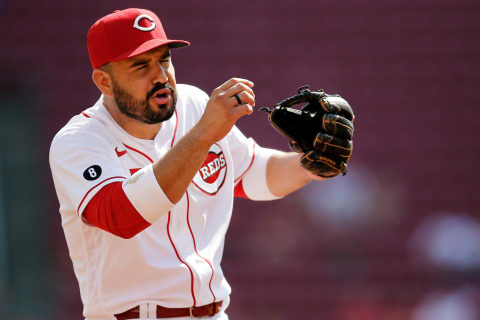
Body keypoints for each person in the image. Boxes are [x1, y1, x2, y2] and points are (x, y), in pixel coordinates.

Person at [49, 8, 328, 320]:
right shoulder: (78, 141)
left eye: (164, 59)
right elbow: (122, 216)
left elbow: (253, 173)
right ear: (105, 81)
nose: (160, 76)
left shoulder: (193, 105)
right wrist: (204, 134)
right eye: (141, 66)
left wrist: (312, 165)